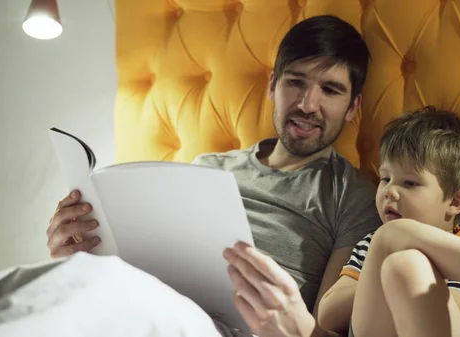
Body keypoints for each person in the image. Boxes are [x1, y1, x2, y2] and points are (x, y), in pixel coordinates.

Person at [45, 15, 382, 336]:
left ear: (353, 107)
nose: (308, 104)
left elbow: (326, 327)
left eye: (331, 90)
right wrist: (81, 258)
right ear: (273, 85)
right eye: (295, 82)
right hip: (147, 309)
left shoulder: (353, 197)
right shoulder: (208, 167)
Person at [310, 106, 460, 337]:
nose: (389, 191)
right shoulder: (373, 245)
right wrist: (378, 286)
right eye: (385, 178)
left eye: (410, 183)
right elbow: (327, 315)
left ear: (455, 202)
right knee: (399, 258)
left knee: (403, 261)